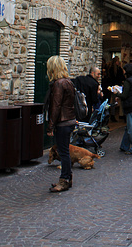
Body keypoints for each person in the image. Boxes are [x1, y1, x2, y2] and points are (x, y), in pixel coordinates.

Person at [45, 56, 76, 193]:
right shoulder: (68, 82)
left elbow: (56, 106)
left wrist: (50, 126)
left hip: (62, 122)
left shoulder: (58, 84)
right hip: (69, 120)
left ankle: (64, 180)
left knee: (63, 152)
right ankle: (67, 178)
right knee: (65, 152)